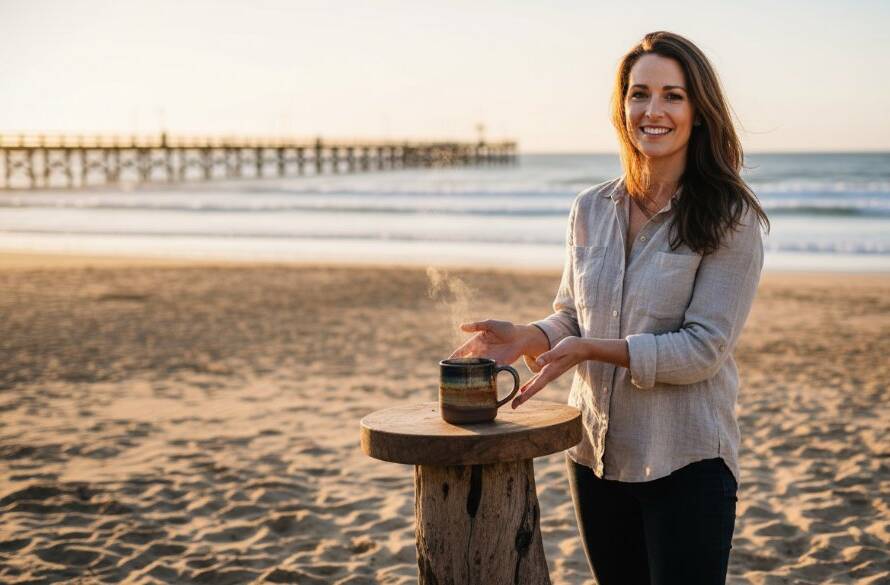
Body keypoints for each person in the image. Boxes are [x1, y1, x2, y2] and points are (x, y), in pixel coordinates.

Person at [450, 31, 769, 585]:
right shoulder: (590, 208)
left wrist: (593, 349)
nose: (654, 110)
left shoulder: (730, 217)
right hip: (596, 457)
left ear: (700, 110)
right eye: (640, 93)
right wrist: (530, 335)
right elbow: (573, 314)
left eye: (673, 95)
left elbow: (703, 349)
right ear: (622, 106)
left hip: (687, 460)